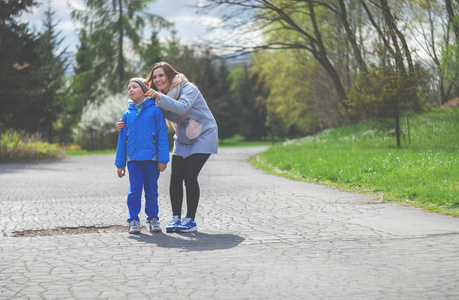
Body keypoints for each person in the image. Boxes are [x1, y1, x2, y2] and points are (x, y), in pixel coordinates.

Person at [117, 62, 218, 233]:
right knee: (176, 176)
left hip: (203, 134)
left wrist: (158, 97)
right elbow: (155, 116)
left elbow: (182, 107)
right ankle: (175, 218)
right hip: (184, 135)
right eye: (154, 77)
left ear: (170, 76)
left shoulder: (188, 88)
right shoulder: (161, 96)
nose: (157, 79)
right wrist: (124, 124)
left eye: (161, 75)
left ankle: (190, 220)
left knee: (190, 176)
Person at [115, 78, 169, 234]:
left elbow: (162, 136)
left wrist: (163, 159)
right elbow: (122, 140)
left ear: (144, 91)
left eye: (134, 87)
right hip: (133, 160)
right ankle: (133, 220)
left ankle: (153, 218)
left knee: (152, 190)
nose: (130, 90)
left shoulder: (155, 111)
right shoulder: (127, 114)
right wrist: (120, 164)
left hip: (152, 160)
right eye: (128, 88)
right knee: (135, 190)